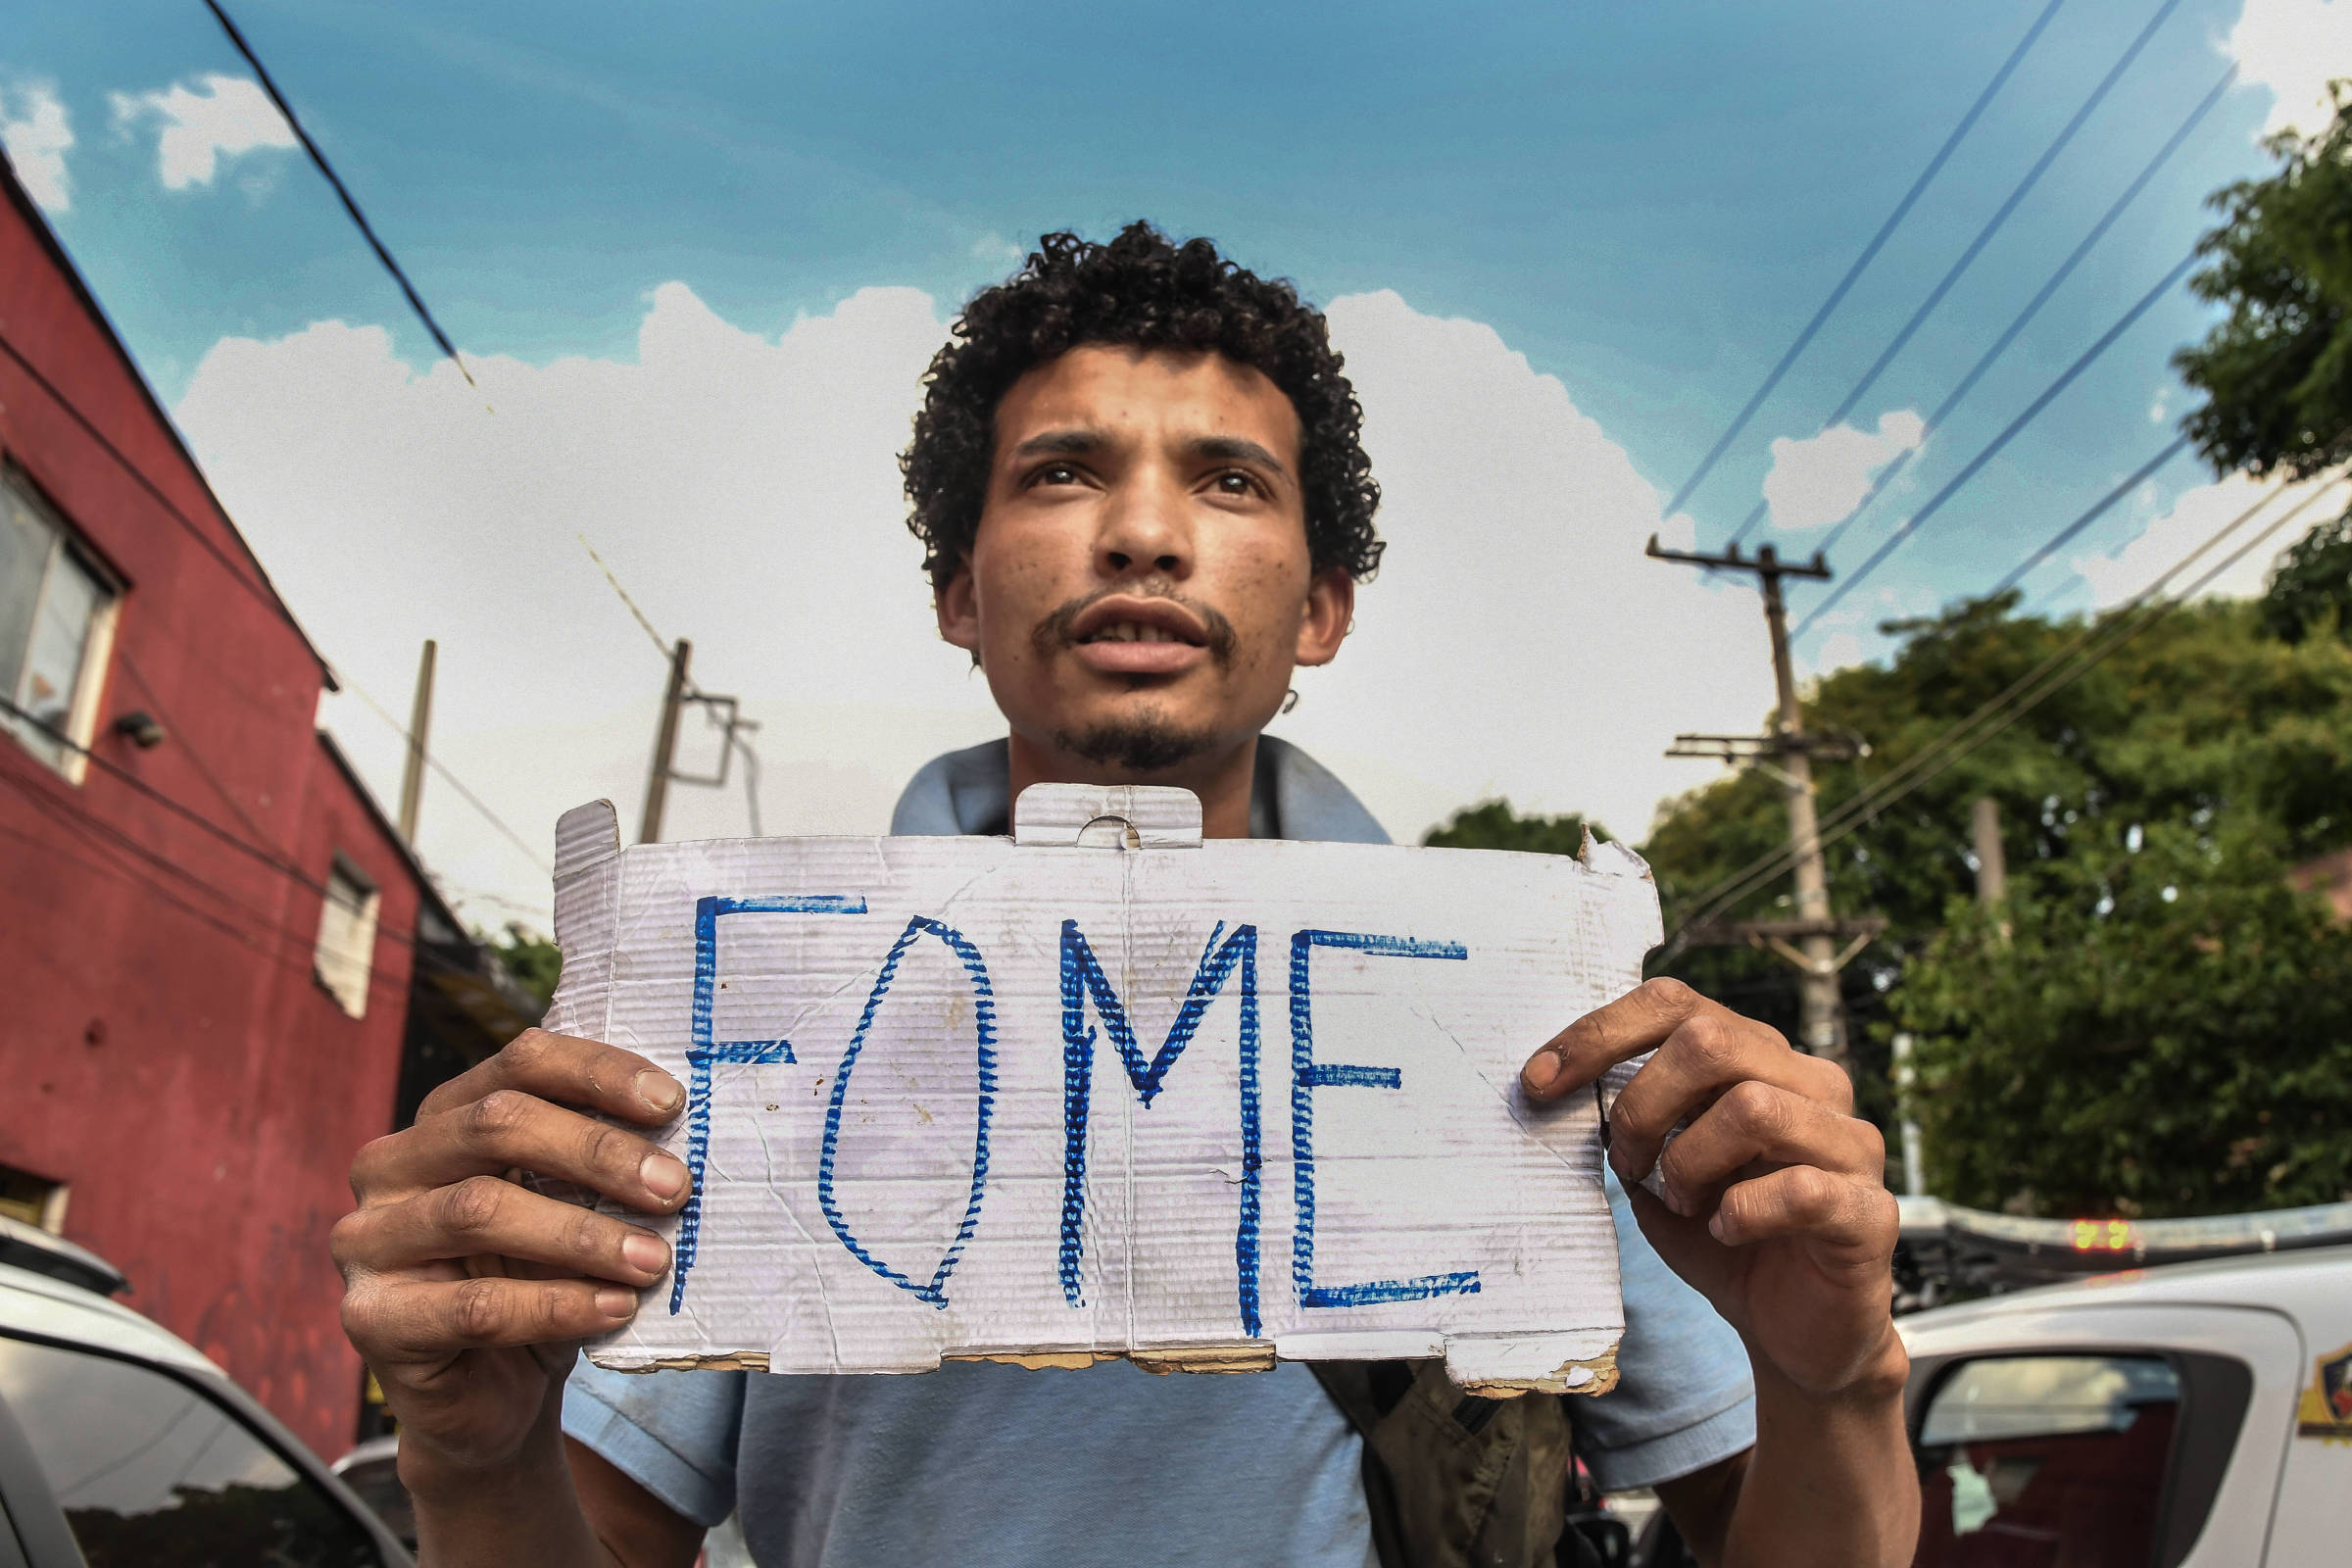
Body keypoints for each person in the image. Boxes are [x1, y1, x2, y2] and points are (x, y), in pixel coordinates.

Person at [334, 223, 1918, 1567]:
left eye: (1229, 482)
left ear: (1322, 605)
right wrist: (474, 1459)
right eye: (1063, 472)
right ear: (961, 588)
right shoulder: (750, 1026)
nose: (1146, 534)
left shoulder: (1532, 1036)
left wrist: (1837, 1379)